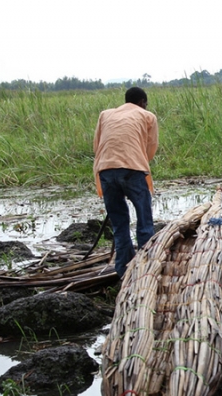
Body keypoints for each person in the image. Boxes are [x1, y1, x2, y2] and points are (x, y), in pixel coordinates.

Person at [93, 87, 159, 278]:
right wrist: (136, 161)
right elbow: (150, 148)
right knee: (144, 221)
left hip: (105, 168)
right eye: (145, 104)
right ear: (142, 102)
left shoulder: (105, 115)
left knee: (119, 225)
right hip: (133, 169)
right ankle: (145, 269)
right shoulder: (147, 116)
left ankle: (123, 271)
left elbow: (97, 145)